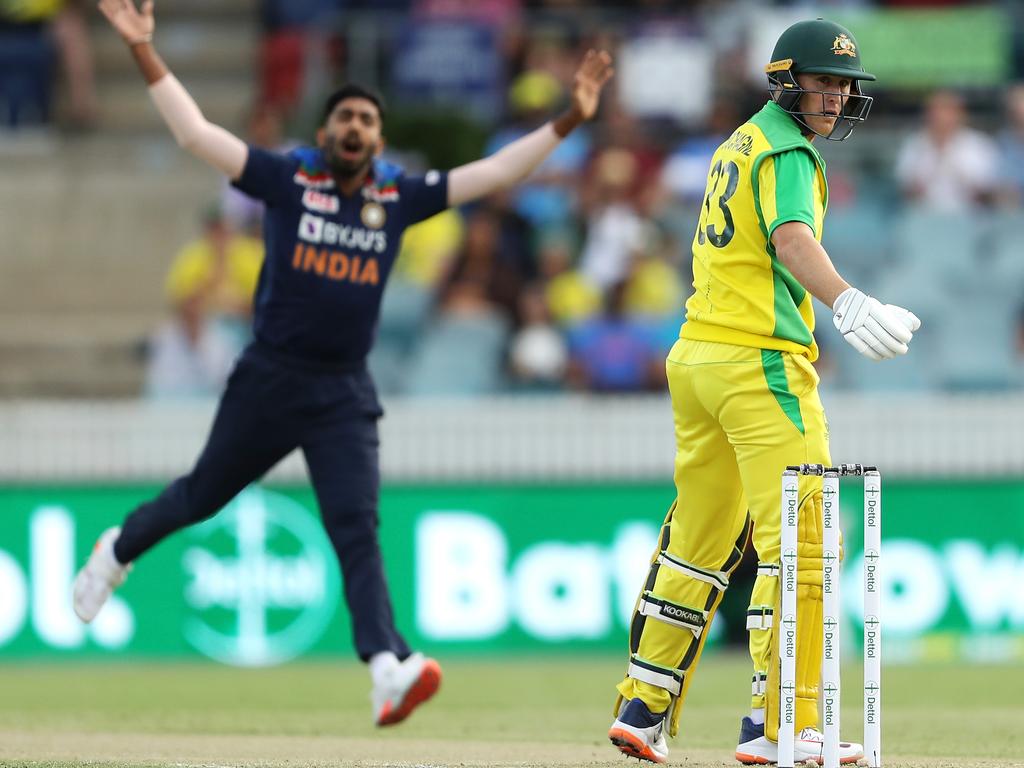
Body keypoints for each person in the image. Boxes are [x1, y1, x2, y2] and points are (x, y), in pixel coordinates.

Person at [74, 0, 612, 727]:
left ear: (380, 139)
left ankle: (387, 667)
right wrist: (143, 48)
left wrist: (570, 119)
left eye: (366, 120)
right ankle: (118, 549)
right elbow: (195, 134)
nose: (354, 128)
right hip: (269, 378)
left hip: (342, 391)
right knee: (201, 496)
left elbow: (492, 172)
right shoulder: (287, 180)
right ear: (325, 133)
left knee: (356, 525)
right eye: (344, 118)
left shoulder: (396, 197)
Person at [606, 19, 920, 765]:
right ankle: (784, 726)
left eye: (845, 85)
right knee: (806, 543)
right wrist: (846, 301)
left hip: (697, 360)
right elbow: (790, 239)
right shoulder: (784, 147)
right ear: (787, 82)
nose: (837, 98)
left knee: (698, 542)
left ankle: (643, 708)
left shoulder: (736, 142)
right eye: (824, 82)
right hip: (759, 365)